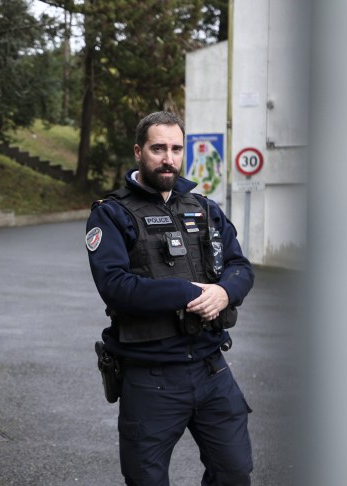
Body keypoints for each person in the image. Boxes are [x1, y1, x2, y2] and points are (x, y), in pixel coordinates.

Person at [85, 111, 255, 486]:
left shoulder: (205, 209)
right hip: (151, 377)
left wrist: (225, 291)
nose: (168, 158)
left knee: (234, 473)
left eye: (176, 148)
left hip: (211, 369)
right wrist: (190, 292)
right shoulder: (112, 214)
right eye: (158, 148)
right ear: (138, 151)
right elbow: (115, 285)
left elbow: (240, 265)